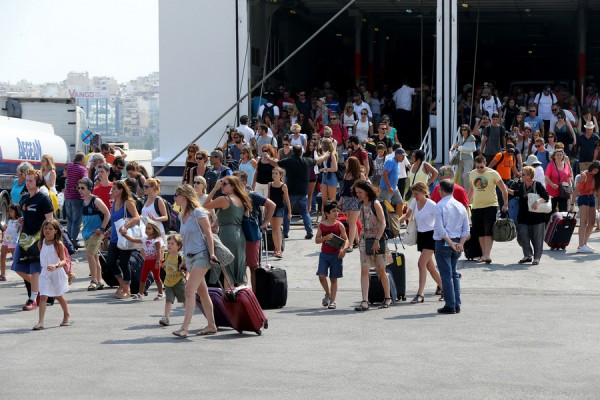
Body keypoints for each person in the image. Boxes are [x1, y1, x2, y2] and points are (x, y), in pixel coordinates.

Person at [172, 184, 219, 338]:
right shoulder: (181, 216)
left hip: (201, 255)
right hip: (190, 257)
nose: (174, 198)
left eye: (176, 195)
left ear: (184, 196)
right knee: (203, 293)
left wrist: (212, 253)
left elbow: (209, 233)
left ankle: (185, 328)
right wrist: (184, 260)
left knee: (189, 290)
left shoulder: (198, 212)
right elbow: (185, 240)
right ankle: (211, 325)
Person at [11, 169, 54, 311]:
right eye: (27, 180)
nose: (28, 183)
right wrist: (22, 219)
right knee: (16, 266)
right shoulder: (24, 198)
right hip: (24, 237)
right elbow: (26, 214)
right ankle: (41, 288)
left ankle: (33, 299)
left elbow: (50, 220)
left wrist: (46, 238)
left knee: (35, 268)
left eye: (30, 181)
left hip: (38, 238)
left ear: (38, 183)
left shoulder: (43, 198)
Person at [267, 144, 330, 240]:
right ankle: (309, 231)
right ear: (302, 152)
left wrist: (267, 158)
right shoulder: (306, 160)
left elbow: (276, 163)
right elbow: (318, 160)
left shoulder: (288, 161)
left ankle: (285, 232)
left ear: (293, 152)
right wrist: (326, 155)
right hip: (303, 191)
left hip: (291, 191)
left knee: (287, 212)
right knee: (305, 212)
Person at [398, 182, 443, 304]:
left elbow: (440, 219)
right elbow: (407, 215)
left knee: (421, 263)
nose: (415, 196)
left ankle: (420, 294)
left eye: (417, 194)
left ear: (424, 192)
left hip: (431, 235)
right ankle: (445, 288)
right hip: (421, 235)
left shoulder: (432, 205)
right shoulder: (414, 202)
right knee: (430, 267)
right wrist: (396, 222)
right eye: (414, 194)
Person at [204, 176, 252, 285]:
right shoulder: (243, 200)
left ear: (233, 186)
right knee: (240, 269)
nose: (221, 186)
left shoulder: (224, 199)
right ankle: (243, 296)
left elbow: (205, 205)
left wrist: (214, 189)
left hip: (227, 234)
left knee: (227, 271)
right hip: (240, 236)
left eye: (224, 184)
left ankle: (229, 298)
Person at [232, 170, 275, 290]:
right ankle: (245, 292)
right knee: (240, 266)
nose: (233, 184)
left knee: (253, 266)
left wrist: (265, 222)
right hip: (236, 235)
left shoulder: (251, 195)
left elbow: (271, 205)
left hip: (251, 234)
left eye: (236, 181)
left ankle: (255, 295)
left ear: (244, 183)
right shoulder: (230, 196)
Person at [353, 180, 392, 311]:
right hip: (365, 240)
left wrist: (376, 240)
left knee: (381, 270)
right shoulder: (361, 205)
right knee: (365, 269)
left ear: (367, 191)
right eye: (357, 192)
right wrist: (359, 239)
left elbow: (383, 223)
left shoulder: (375, 204)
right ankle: (365, 301)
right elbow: (361, 225)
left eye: (360, 192)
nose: (358, 194)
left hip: (378, 240)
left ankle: (387, 297)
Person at [433, 179, 470, 314]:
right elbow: (466, 229)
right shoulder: (460, 206)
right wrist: (460, 243)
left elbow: (440, 229)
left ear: (442, 190)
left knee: (446, 275)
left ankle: (450, 304)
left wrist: (450, 243)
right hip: (457, 241)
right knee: (454, 274)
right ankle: (456, 303)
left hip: (445, 242)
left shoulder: (439, 206)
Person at [31, 219, 72, 330]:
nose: (47, 231)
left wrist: (56, 265)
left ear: (55, 231)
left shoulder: (58, 244)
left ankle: (66, 314)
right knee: (43, 296)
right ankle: (40, 322)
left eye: (50, 229)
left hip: (57, 272)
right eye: (45, 228)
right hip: (45, 273)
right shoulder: (41, 243)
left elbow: (64, 260)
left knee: (59, 296)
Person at [469, 155, 509, 264]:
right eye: (477, 167)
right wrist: (467, 202)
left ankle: (487, 255)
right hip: (476, 206)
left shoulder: (493, 173)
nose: (479, 170)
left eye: (481, 167)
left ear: (485, 163)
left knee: (488, 231)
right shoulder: (472, 174)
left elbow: (503, 189)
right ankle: (483, 254)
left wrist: (505, 204)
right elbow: (472, 188)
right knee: (480, 232)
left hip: (491, 205)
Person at [107, 180, 141, 300]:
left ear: (121, 190)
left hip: (125, 237)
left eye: (114, 189)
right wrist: (109, 230)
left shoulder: (128, 202)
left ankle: (127, 289)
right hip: (114, 237)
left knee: (123, 263)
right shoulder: (115, 202)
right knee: (110, 261)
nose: (112, 191)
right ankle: (122, 283)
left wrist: (126, 226)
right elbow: (115, 220)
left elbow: (137, 217)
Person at [511, 166, 549, 265]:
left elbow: (546, 196)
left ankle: (536, 257)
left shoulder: (537, 184)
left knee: (537, 238)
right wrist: (503, 187)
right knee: (522, 235)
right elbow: (515, 194)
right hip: (523, 216)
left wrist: (538, 201)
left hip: (537, 217)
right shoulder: (521, 185)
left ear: (529, 175)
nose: (521, 175)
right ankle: (527, 255)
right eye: (521, 173)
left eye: (523, 174)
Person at [314, 200, 348, 310]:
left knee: (334, 279)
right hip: (324, 254)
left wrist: (344, 250)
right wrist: (325, 238)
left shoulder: (340, 225)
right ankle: (328, 293)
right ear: (327, 213)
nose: (336, 213)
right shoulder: (322, 225)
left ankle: (332, 301)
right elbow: (317, 240)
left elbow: (346, 239)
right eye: (334, 211)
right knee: (321, 275)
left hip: (336, 255)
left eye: (337, 211)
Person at [78, 178, 110, 291]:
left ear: (89, 188)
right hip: (86, 232)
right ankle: (99, 280)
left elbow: (107, 214)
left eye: (83, 188)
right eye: (79, 188)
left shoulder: (95, 200)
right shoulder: (83, 202)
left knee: (89, 254)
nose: (80, 190)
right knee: (95, 257)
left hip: (96, 232)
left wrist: (101, 229)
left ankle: (93, 280)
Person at [125, 221, 165, 301]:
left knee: (157, 278)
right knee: (143, 277)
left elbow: (159, 251)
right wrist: (124, 234)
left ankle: (161, 293)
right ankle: (140, 293)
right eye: (146, 228)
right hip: (147, 261)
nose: (147, 230)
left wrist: (158, 261)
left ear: (155, 230)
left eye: (149, 228)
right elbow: (133, 240)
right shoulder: (144, 239)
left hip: (154, 261)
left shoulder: (156, 241)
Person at [570, 161, 600, 253]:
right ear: (591, 168)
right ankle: (580, 245)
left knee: (592, 221)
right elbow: (576, 190)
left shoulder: (597, 176)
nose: (595, 172)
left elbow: (598, 192)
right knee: (584, 222)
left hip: (592, 198)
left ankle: (585, 243)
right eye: (594, 170)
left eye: (597, 171)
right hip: (583, 198)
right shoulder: (584, 175)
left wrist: (598, 205)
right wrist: (571, 204)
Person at [339, 157, 366, 251]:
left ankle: (350, 245)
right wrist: (340, 201)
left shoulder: (360, 175)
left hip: (356, 199)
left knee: (352, 222)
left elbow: (366, 187)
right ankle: (357, 241)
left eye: (347, 163)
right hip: (346, 199)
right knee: (350, 221)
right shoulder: (347, 174)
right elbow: (344, 189)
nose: (346, 164)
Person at [159, 234, 186, 327]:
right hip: (168, 283)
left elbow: (186, 269)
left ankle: (187, 317)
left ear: (178, 246)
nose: (169, 245)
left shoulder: (180, 257)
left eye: (172, 243)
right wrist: (163, 266)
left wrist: (186, 276)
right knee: (168, 301)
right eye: (168, 243)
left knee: (184, 301)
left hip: (179, 282)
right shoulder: (166, 255)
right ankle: (166, 318)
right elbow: (163, 266)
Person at [64, 153, 88, 245]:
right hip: (77, 197)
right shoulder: (82, 169)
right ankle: (73, 241)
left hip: (67, 197)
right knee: (76, 221)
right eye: (85, 160)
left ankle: (68, 240)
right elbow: (85, 180)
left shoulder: (70, 166)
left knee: (69, 220)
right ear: (82, 160)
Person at [378, 148, 405, 216]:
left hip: (394, 188)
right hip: (386, 189)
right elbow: (384, 174)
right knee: (384, 205)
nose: (403, 158)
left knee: (400, 202)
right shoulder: (391, 161)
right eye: (402, 156)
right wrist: (389, 187)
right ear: (397, 155)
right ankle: (384, 222)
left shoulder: (397, 163)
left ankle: (399, 221)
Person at [545, 148, 572, 212]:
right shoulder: (551, 165)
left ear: (563, 156)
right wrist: (552, 184)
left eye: (560, 155)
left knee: (563, 210)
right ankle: (550, 222)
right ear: (554, 156)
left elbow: (568, 176)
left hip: (563, 191)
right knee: (550, 210)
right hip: (552, 191)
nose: (559, 156)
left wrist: (570, 186)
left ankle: (561, 222)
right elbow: (546, 177)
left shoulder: (566, 165)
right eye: (557, 155)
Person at [452, 124, 477, 189]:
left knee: (465, 175)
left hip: (468, 159)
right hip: (460, 158)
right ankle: (461, 192)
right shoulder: (461, 137)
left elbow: (473, 149)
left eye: (465, 130)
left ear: (468, 130)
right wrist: (454, 148)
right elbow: (458, 143)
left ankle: (467, 192)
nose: (463, 131)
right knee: (460, 177)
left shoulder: (471, 137)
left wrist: (461, 148)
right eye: (462, 130)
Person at [0, 204, 21, 281]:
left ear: (16, 211)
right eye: (9, 211)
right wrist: (2, 238)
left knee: (16, 259)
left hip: (13, 241)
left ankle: (26, 274)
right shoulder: (8, 220)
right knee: (2, 256)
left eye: (11, 211)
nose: (9, 213)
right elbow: (5, 230)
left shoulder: (19, 221)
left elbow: (21, 229)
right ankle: (2, 275)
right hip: (6, 240)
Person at [319, 138, 339, 217]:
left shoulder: (332, 155)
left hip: (331, 177)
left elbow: (335, 168)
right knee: (324, 200)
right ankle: (324, 217)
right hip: (325, 176)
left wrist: (325, 169)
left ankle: (334, 217)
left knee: (332, 200)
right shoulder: (324, 154)